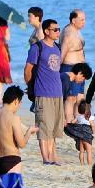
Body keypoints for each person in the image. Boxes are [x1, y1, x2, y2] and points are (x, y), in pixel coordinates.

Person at [25, 19, 64, 165]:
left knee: (54, 127)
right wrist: (31, 86)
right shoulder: (37, 47)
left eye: (58, 29)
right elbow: (28, 69)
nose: (58, 32)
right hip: (43, 92)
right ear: (47, 31)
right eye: (55, 29)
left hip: (57, 92)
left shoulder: (58, 48)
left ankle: (53, 156)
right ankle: (46, 158)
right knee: (44, 126)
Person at [0, 86, 38, 181]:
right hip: (11, 161)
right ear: (16, 101)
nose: (19, 106)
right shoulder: (14, 118)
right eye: (20, 103)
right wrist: (29, 131)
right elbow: (21, 144)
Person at [60, 9, 88, 123]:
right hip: (70, 67)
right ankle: (69, 120)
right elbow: (62, 54)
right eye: (81, 20)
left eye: (84, 19)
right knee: (71, 97)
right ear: (73, 20)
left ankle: (79, 119)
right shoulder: (68, 33)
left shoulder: (76, 30)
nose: (84, 22)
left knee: (80, 97)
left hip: (80, 69)